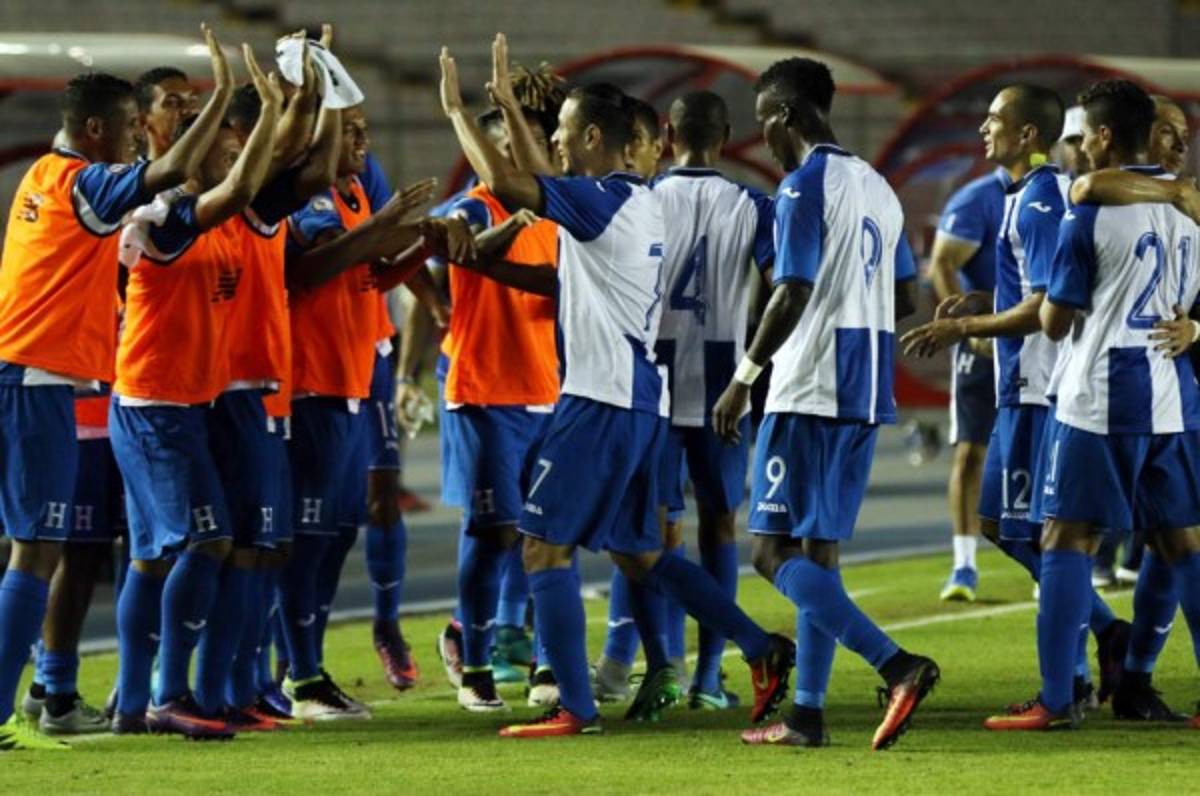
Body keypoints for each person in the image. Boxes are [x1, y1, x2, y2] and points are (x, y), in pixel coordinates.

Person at [438, 43, 794, 739]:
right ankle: (760, 647)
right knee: (641, 553)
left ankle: (574, 704)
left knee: (541, 546)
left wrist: (460, 111)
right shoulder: (627, 205)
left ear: (594, 139)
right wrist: (512, 105)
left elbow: (515, 184)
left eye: (566, 135)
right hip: (641, 402)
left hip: (598, 401)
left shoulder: (606, 201)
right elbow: (549, 219)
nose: (558, 146)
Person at [0, 24, 235, 752]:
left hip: (28, 375)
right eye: (133, 125)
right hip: (35, 380)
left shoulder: (42, 175)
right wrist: (222, 95)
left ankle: (46, 692)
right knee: (38, 547)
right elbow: (161, 179)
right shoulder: (80, 186)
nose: (142, 136)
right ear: (96, 129)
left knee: (40, 544)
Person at [712, 57, 935, 751]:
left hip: (810, 383)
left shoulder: (803, 187)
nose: (765, 140)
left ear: (786, 116)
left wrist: (745, 375)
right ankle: (806, 715)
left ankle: (897, 665)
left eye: (764, 125)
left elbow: (793, 289)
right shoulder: (879, 188)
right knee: (819, 553)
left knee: (769, 550)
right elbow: (903, 298)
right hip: (867, 386)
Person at [902, 85, 1130, 709]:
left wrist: (965, 328)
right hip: (1020, 385)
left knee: (1043, 533)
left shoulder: (1037, 200)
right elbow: (1036, 289)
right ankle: (1109, 633)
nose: (983, 128)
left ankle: (1074, 680)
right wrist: (985, 303)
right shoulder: (1021, 197)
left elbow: (1051, 305)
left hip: (1040, 388)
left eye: (996, 120)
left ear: (1029, 135)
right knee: (1003, 523)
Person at [984, 79, 1200, 731]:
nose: (1073, 151)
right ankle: (1136, 681)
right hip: (1172, 398)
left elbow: (1053, 321)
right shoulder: (1190, 214)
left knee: (1065, 539)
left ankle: (1056, 699)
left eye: (1081, 138)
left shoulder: (1091, 209)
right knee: (1183, 545)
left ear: (1102, 135)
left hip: (1099, 397)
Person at [108, 43, 282, 739]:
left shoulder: (220, 220)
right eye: (226, 149)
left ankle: (128, 704)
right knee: (208, 543)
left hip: (183, 405)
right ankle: (167, 695)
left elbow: (249, 189)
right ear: (198, 153)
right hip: (156, 405)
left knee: (153, 557)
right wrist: (253, 102)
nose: (238, 160)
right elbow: (238, 188)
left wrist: (280, 113)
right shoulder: (164, 216)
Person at [280, 100, 456, 719]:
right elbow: (314, 268)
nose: (363, 140)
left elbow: (371, 276)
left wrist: (414, 250)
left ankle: (302, 665)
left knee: (340, 530)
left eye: (364, 128)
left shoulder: (354, 190)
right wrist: (387, 231)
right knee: (307, 537)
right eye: (348, 131)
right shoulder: (305, 201)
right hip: (312, 382)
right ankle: (297, 675)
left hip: (356, 378)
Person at [421, 39, 566, 713]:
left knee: (541, 534)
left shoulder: (566, 209)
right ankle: (474, 661)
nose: (523, 147)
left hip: (549, 392)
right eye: (512, 134)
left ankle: (542, 660)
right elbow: (450, 243)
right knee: (492, 531)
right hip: (483, 392)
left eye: (535, 137)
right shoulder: (479, 202)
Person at [926, 160, 1009, 601]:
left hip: (1040, 341)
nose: (985, 130)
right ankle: (964, 566)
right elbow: (942, 264)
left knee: (1042, 451)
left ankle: (1049, 558)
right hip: (982, 347)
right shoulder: (976, 199)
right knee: (971, 453)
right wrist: (970, 326)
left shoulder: (1064, 193)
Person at [20, 392, 123, 735]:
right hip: (86, 421)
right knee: (78, 555)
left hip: (109, 416)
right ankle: (58, 694)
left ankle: (44, 684)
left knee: (90, 555)